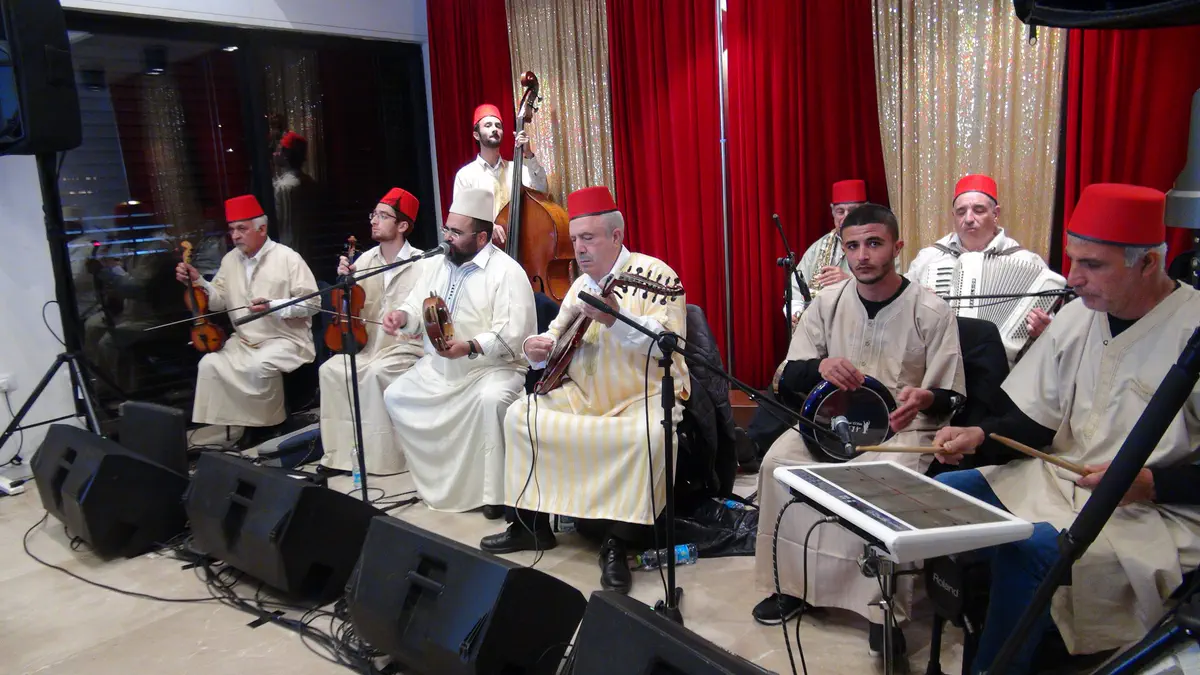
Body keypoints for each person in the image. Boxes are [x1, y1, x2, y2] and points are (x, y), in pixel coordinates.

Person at [932, 183, 1200, 675]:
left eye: (1092, 265)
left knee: (1031, 549)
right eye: (1073, 259)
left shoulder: (1194, 331)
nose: (1073, 278)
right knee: (946, 493)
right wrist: (981, 436)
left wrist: (1153, 483)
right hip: (1059, 478)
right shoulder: (1078, 316)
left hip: (1151, 511)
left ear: (1147, 263)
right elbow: (1037, 419)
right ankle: (971, 626)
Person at [752, 203, 966, 660]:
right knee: (777, 464)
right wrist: (820, 367)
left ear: (897, 246)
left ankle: (882, 610)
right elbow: (786, 376)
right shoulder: (826, 304)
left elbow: (951, 396)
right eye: (853, 246)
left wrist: (924, 398)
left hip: (901, 430)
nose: (863, 255)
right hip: (830, 423)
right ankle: (793, 586)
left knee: (879, 481)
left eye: (874, 243)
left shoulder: (931, 311)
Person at [478, 186, 689, 594]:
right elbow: (554, 337)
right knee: (520, 415)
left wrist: (614, 319)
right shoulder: (579, 287)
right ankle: (530, 525)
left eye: (588, 238)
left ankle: (617, 543)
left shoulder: (657, 276)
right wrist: (536, 348)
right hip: (584, 395)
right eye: (575, 239)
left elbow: (669, 342)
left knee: (649, 436)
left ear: (616, 236)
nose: (579, 248)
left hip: (640, 396)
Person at [380, 187, 536, 518]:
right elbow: (415, 305)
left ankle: (494, 494)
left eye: (456, 232)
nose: (447, 238)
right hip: (440, 368)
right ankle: (439, 482)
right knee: (396, 395)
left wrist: (470, 347)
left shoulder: (507, 272)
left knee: (491, 400)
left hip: (491, 370)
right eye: (446, 229)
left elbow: (513, 333)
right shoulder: (436, 264)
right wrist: (402, 317)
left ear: (481, 238)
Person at [175, 195, 319, 435]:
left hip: (285, 339)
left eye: (242, 229)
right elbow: (218, 302)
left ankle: (271, 426)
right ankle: (246, 426)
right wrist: (198, 281)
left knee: (258, 367)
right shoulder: (230, 260)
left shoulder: (288, 257)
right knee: (210, 364)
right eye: (232, 229)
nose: (235, 235)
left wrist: (274, 306)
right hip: (243, 341)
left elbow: (313, 304)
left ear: (262, 229)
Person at [317, 188, 427, 476]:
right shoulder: (364, 261)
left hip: (406, 348)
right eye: (373, 215)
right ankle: (341, 458)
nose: (374, 221)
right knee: (330, 371)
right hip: (369, 347)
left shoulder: (423, 263)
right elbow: (352, 308)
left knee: (375, 373)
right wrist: (346, 281)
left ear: (402, 225)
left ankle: (383, 461)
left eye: (383, 216)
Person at [905, 174, 1055, 354]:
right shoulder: (929, 258)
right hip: (940, 360)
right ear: (953, 216)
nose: (968, 218)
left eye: (978, 210)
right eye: (961, 212)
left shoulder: (1027, 262)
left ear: (995, 214)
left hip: (1004, 364)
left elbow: (1051, 327)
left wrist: (1043, 328)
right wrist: (915, 304)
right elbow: (899, 311)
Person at [452, 103, 548, 244]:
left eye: (498, 126)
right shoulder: (466, 175)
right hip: (484, 248)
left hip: (523, 244)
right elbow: (460, 217)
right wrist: (488, 227)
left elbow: (542, 190)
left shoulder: (518, 169)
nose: (494, 129)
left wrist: (528, 154)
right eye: (488, 125)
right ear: (476, 135)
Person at [783, 179, 867, 324]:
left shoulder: (877, 245)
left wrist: (850, 282)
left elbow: (889, 289)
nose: (846, 217)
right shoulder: (818, 247)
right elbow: (795, 287)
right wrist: (796, 313)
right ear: (832, 212)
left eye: (853, 211)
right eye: (840, 211)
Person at [272, 130, 319, 264]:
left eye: (278, 150)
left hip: (289, 248)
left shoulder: (284, 187)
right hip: (308, 250)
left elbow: (279, 220)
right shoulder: (309, 182)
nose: (274, 154)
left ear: (286, 155)